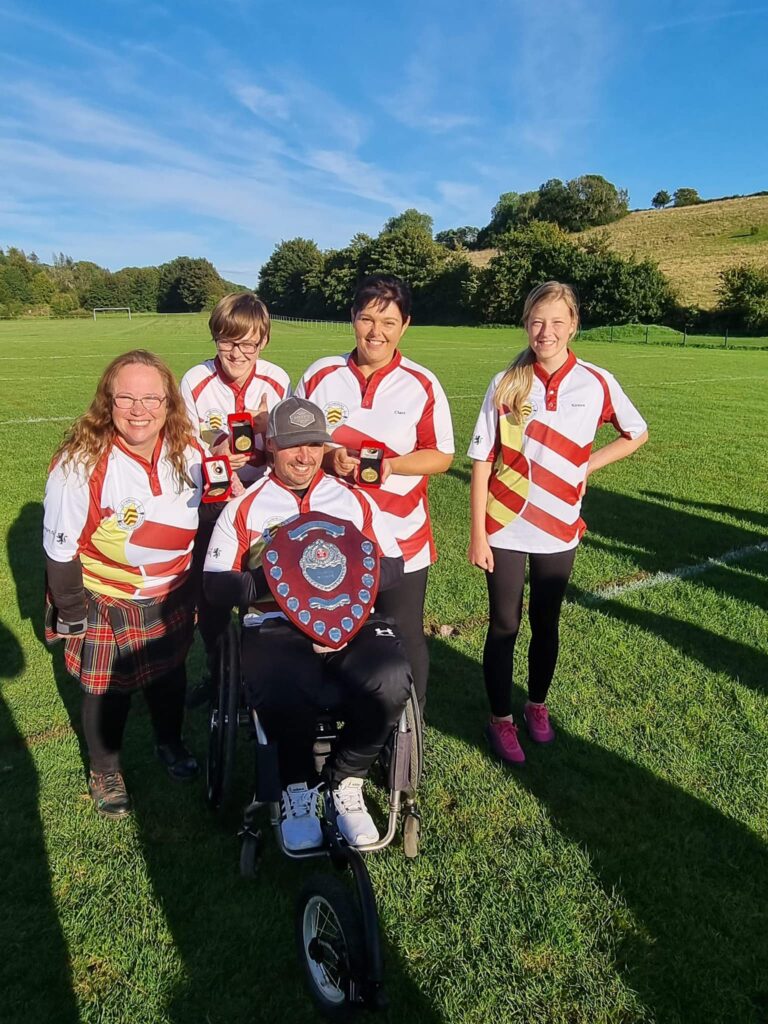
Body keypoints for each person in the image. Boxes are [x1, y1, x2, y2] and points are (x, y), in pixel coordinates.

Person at [203, 396, 412, 851]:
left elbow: (395, 564)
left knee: (392, 675)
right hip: (276, 623)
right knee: (282, 678)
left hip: (349, 621)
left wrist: (344, 573)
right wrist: (277, 581)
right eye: (293, 445)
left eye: (314, 445)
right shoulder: (245, 507)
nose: (304, 456)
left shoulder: (353, 499)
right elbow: (217, 585)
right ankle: (297, 785)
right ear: (271, 445)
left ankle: (347, 779)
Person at [467, 281, 648, 764]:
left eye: (556, 322)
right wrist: (478, 533)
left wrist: (586, 466)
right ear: (526, 323)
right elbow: (482, 459)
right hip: (504, 522)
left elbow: (636, 432)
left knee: (547, 623)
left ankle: (537, 707)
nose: (545, 332)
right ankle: (500, 720)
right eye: (537, 321)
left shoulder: (596, 381)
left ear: (574, 326)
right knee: (504, 625)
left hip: (560, 525)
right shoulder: (506, 383)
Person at [43, 350, 204, 818]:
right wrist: (73, 613)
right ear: (107, 403)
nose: (139, 410)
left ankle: (169, 743)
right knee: (104, 689)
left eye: (152, 398)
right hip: (105, 597)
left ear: (169, 404)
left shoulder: (190, 451)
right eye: (126, 398)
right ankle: (104, 767)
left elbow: (209, 510)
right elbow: (60, 548)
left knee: (171, 674)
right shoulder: (79, 463)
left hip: (171, 591)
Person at [294, 275, 453, 711]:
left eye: (388, 321)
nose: (375, 331)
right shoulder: (320, 374)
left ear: (405, 326)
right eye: (366, 318)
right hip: (330, 538)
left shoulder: (421, 383)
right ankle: (341, 718)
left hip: (401, 534)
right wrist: (327, 458)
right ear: (352, 318)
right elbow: (291, 442)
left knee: (403, 632)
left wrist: (391, 466)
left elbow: (440, 456)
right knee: (329, 632)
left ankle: (408, 727)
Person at [180, 293, 290, 700]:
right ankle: (218, 671)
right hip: (213, 503)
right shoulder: (195, 380)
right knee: (211, 599)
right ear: (215, 337)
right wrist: (218, 457)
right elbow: (185, 444)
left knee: (263, 592)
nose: (238, 353)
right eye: (228, 341)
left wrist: (268, 426)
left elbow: (291, 448)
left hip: (262, 505)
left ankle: (260, 671)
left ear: (263, 342)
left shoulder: (277, 379)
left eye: (249, 343)